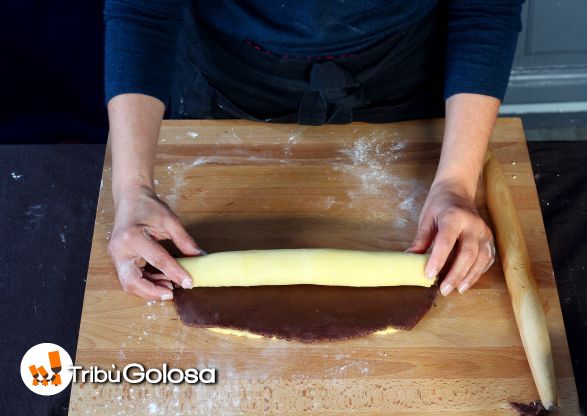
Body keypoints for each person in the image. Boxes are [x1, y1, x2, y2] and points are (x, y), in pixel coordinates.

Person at [104, 0, 524, 301]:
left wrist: (455, 183)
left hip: (402, 67)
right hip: (228, 72)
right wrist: (132, 189)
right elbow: (141, 11)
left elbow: (485, 9)